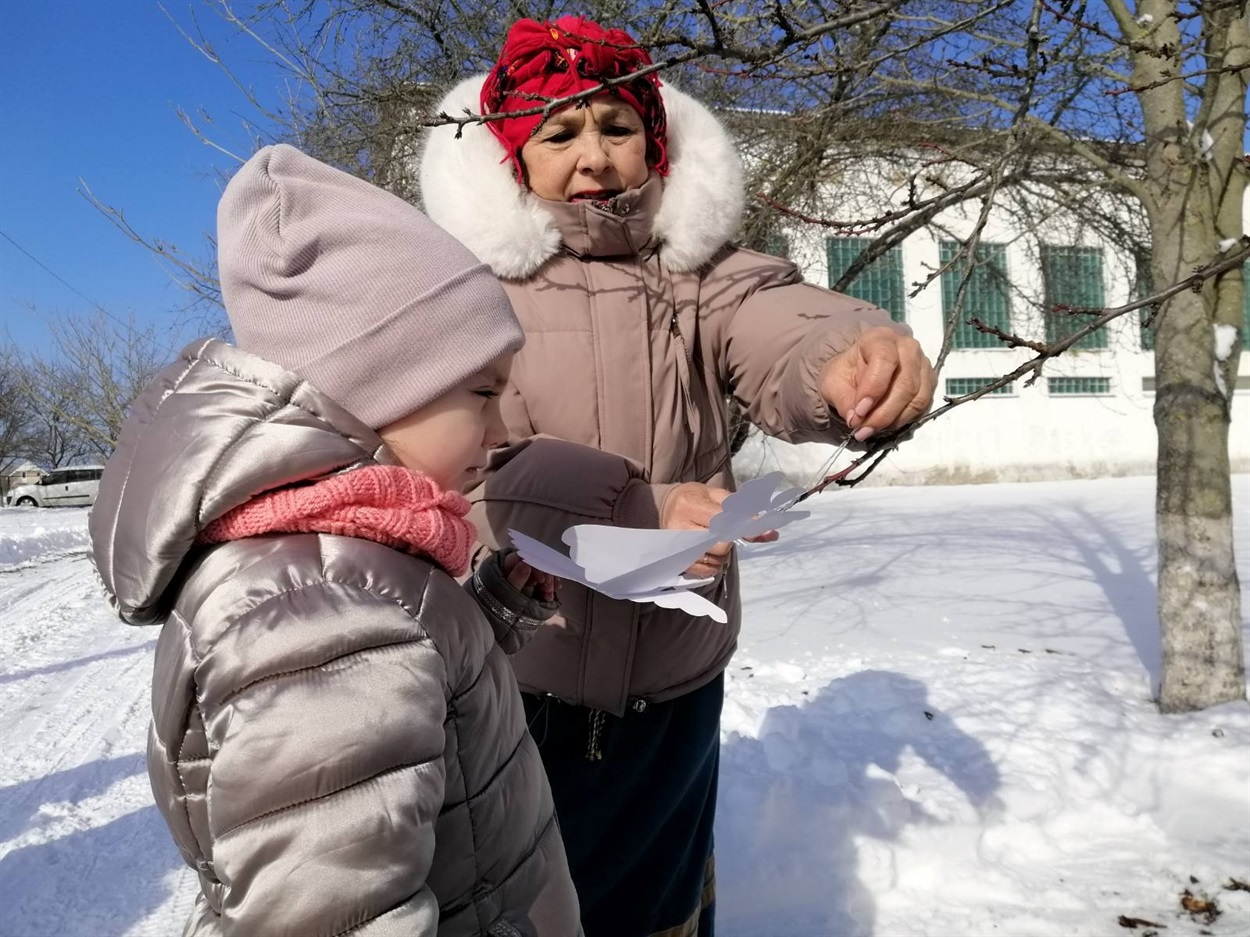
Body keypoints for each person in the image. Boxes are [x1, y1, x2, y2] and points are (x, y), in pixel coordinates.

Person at [420, 16, 937, 937]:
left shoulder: (701, 276)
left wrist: (846, 354)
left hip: (675, 683)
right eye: (559, 132)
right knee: (521, 905)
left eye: (617, 127)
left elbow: (776, 321)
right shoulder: (468, 301)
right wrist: (632, 510)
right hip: (520, 677)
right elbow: (464, 479)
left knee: (660, 902)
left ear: (656, 144)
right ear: (511, 157)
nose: (595, 157)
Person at [88, 144, 581, 936]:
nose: (499, 429)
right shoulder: (318, 609)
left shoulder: (342, 566)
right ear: (377, 383)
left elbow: (403, 695)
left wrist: (493, 607)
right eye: (483, 392)